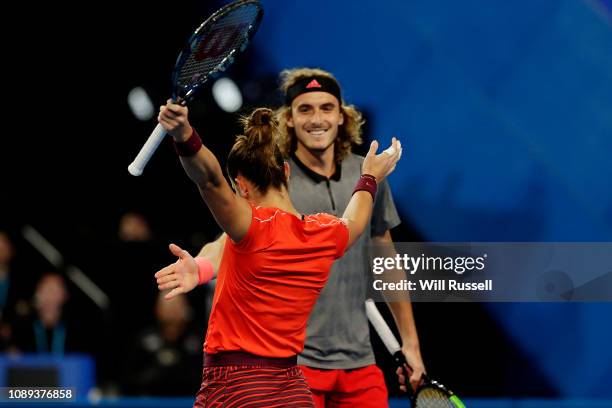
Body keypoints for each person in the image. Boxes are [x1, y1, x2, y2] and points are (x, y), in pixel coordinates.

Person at [195, 68, 425, 407]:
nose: (316, 119)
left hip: (359, 361)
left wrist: (411, 344)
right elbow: (229, 242)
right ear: (288, 119)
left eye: (326, 108)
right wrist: (200, 267)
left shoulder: (369, 173)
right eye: (305, 109)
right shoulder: (276, 180)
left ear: (342, 116)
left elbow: (386, 261)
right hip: (295, 366)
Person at [153, 102, 401, 407]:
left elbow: (208, 178)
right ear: (286, 171)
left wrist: (183, 134)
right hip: (292, 387)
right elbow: (356, 219)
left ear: (241, 187)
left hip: (236, 386)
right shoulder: (325, 233)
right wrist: (369, 177)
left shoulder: (250, 225)